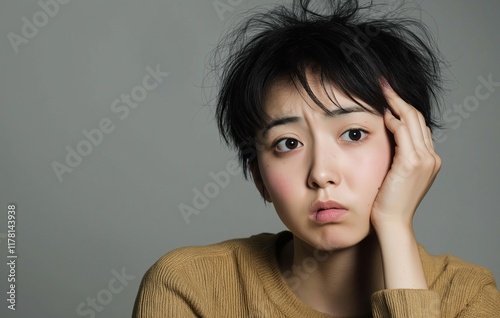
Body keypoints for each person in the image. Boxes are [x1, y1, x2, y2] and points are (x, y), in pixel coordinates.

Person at [132, 0, 500, 316]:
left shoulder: (466, 296)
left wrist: (394, 225)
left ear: (409, 148)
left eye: (354, 134)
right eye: (288, 143)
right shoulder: (190, 288)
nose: (321, 173)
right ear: (258, 175)